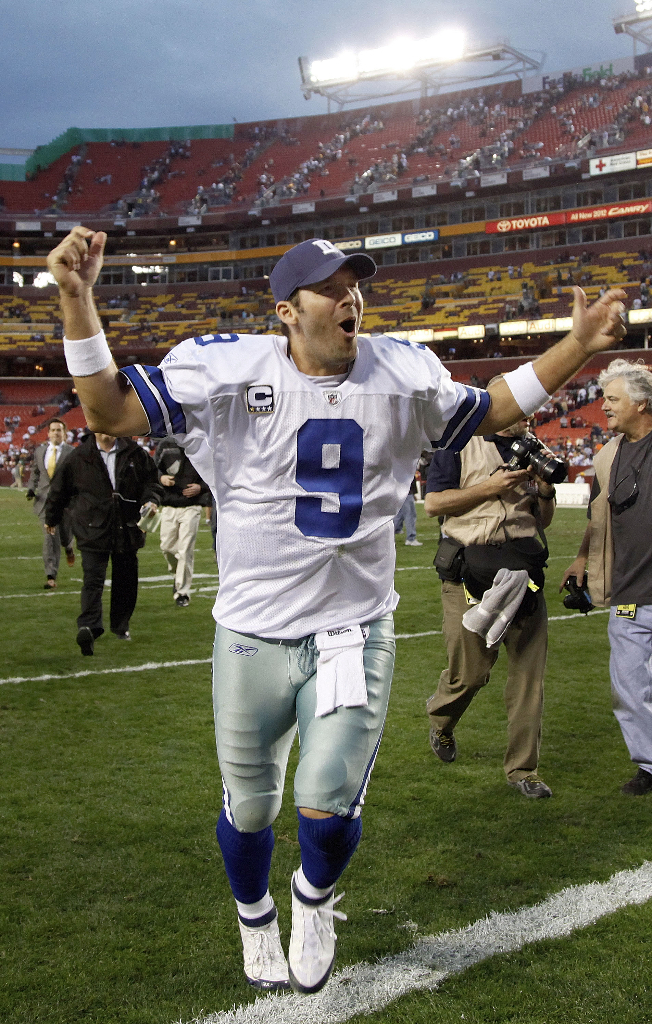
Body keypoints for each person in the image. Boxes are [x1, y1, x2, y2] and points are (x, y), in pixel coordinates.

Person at [46, 226, 625, 995]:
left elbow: (488, 408)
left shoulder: (402, 369)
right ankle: (253, 914)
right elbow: (110, 413)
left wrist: (576, 346)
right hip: (251, 630)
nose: (351, 297)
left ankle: (313, 899)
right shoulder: (225, 368)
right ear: (287, 311)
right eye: (330, 286)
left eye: (356, 283)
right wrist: (77, 298)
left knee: (324, 808)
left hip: (352, 629)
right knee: (251, 807)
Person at [424, 414, 557, 798]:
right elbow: (434, 504)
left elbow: (541, 521)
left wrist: (545, 491)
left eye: (531, 412)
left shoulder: (533, 448)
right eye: (521, 410)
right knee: (470, 674)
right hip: (470, 574)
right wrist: (491, 486)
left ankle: (523, 770)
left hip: (522, 573)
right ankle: (442, 721)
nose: (528, 418)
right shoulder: (457, 442)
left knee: (529, 679)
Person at [562, 359, 652, 796]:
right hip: (630, 590)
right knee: (630, 687)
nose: (604, 407)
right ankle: (649, 765)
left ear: (642, 403)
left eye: (613, 399)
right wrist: (582, 557)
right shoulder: (606, 456)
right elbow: (597, 514)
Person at [44, 431, 161, 655]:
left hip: (126, 527)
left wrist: (151, 500)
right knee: (92, 580)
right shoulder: (78, 457)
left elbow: (151, 482)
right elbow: (59, 489)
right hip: (91, 528)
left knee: (126, 580)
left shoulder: (136, 454)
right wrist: (52, 517)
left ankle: (121, 625)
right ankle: (89, 627)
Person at [154, 436, 211, 606]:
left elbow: (212, 470)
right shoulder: (165, 445)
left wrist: (201, 487)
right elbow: (154, 469)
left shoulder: (201, 444)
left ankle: (182, 592)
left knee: (185, 549)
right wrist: (161, 478)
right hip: (170, 504)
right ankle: (177, 576)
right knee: (167, 547)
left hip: (191, 506)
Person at [26, 418, 75, 589]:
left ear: (64, 433)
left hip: (66, 503)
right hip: (45, 502)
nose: (55, 433)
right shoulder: (40, 451)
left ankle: (69, 546)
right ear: (48, 433)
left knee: (65, 535)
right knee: (49, 537)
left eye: (59, 430)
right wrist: (31, 488)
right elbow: (35, 472)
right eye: (53, 430)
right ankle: (51, 575)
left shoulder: (72, 453)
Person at [393, 476, 422, 546]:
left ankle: (396, 530)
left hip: (400, 490)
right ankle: (411, 538)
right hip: (406, 490)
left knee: (400, 514)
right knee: (410, 514)